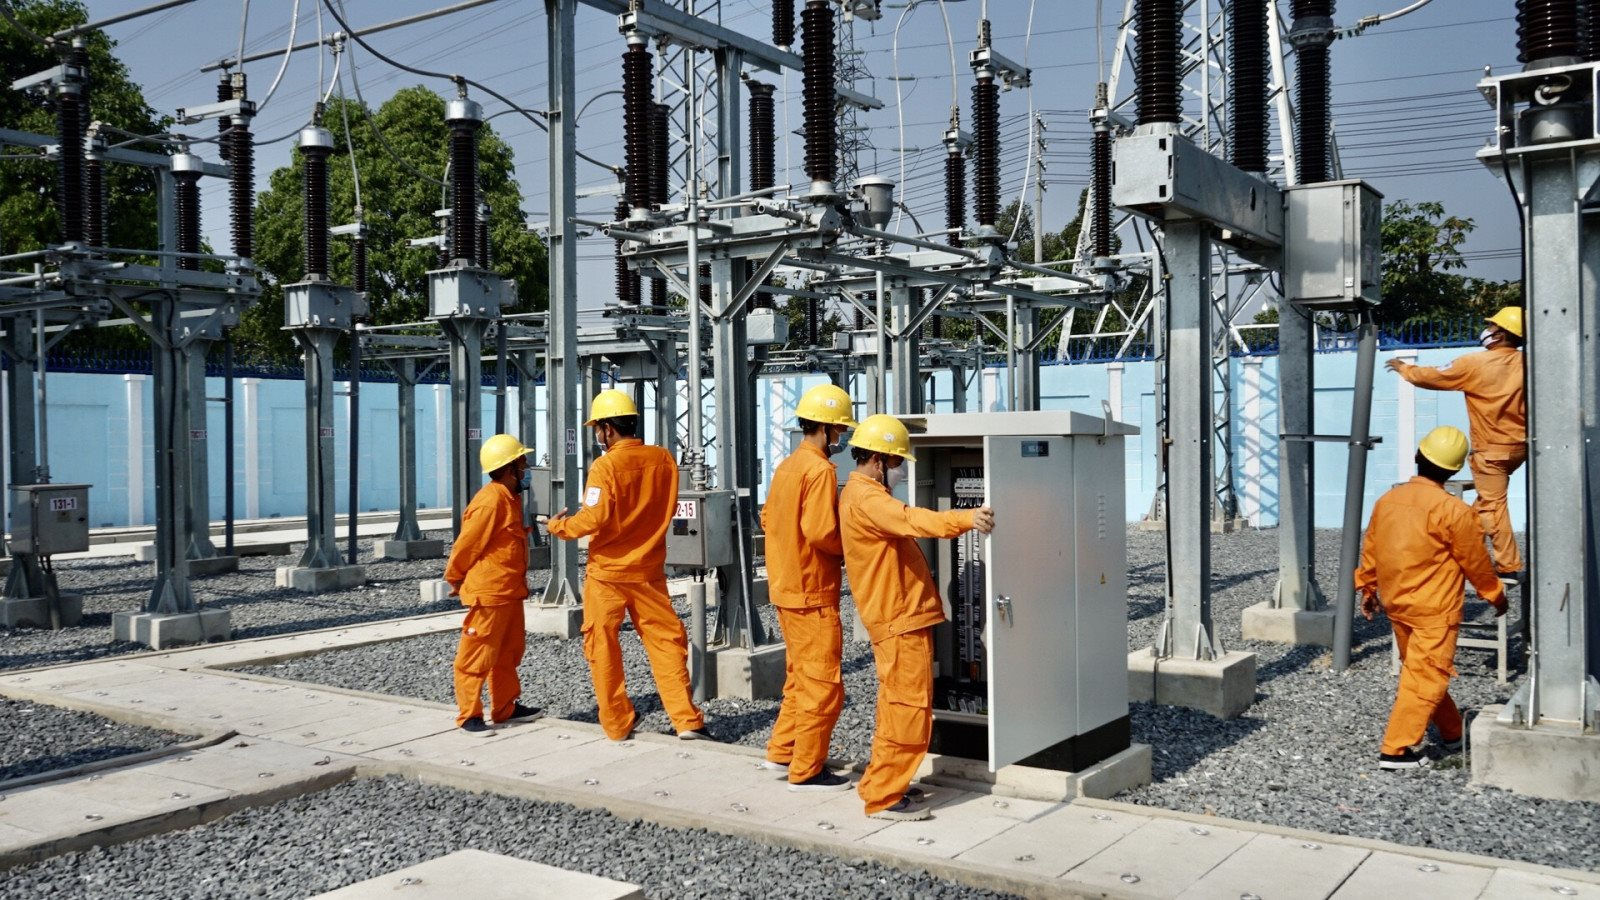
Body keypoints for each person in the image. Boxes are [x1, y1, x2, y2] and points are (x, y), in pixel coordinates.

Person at [839, 414, 995, 820]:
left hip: (898, 617)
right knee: (907, 708)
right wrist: (967, 518)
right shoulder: (869, 498)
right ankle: (884, 798)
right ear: (877, 460)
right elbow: (914, 519)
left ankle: (881, 782)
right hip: (899, 619)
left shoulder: (859, 493)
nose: (901, 471)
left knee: (896, 706)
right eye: (896, 462)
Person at [545, 389, 709, 742]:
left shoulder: (605, 466)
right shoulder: (663, 459)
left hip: (608, 575)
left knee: (602, 645)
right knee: (666, 643)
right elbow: (665, 506)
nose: (597, 436)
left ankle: (618, 724)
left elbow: (593, 518)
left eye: (597, 429)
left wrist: (559, 526)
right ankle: (687, 721)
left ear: (608, 428)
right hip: (649, 571)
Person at [1355, 425, 1507, 770]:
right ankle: (1395, 751)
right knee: (1426, 676)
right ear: (1454, 471)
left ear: (1417, 456)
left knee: (1422, 671)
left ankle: (1452, 732)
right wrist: (1495, 595)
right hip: (1434, 611)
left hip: (1398, 605)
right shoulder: (1454, 511)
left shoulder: (1388, 501)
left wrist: (1368, 588)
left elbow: (1373, 548)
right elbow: (1476, 563)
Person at [760, 384, 858, 792]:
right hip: (812, 590)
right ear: (827, 428)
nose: (843, 436)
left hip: (786, 587)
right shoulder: (820, 471)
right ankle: (806, 769)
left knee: (800, 678)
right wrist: (851, 549)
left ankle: (783, 751)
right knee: (822, 685)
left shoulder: (787, 466)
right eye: (841, 429)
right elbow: (820, 532)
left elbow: (768, 518)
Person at [1386, 307, 1526, 579]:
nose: (1487, 330)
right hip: (1519, 448)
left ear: (1500, 334)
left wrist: (1404, 368)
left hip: (1491, 450)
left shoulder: (1475, 364)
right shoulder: (1528, 364)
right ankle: (1457, 547)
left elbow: (1433, 376)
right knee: (1484, 506)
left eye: (1492, 326)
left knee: (1493, 506)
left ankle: (1508, 566)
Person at [443, 433, 545, 735]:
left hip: (509, 592)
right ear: (509, 468)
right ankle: (469, 715)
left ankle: (505, 707)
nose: (526, 468)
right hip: (490, 594)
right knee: (476, 655)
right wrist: (455, 577)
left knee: (507, 654)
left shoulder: (509, 498)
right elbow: (466, 546)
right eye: (522, 462)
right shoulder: (490, 502)